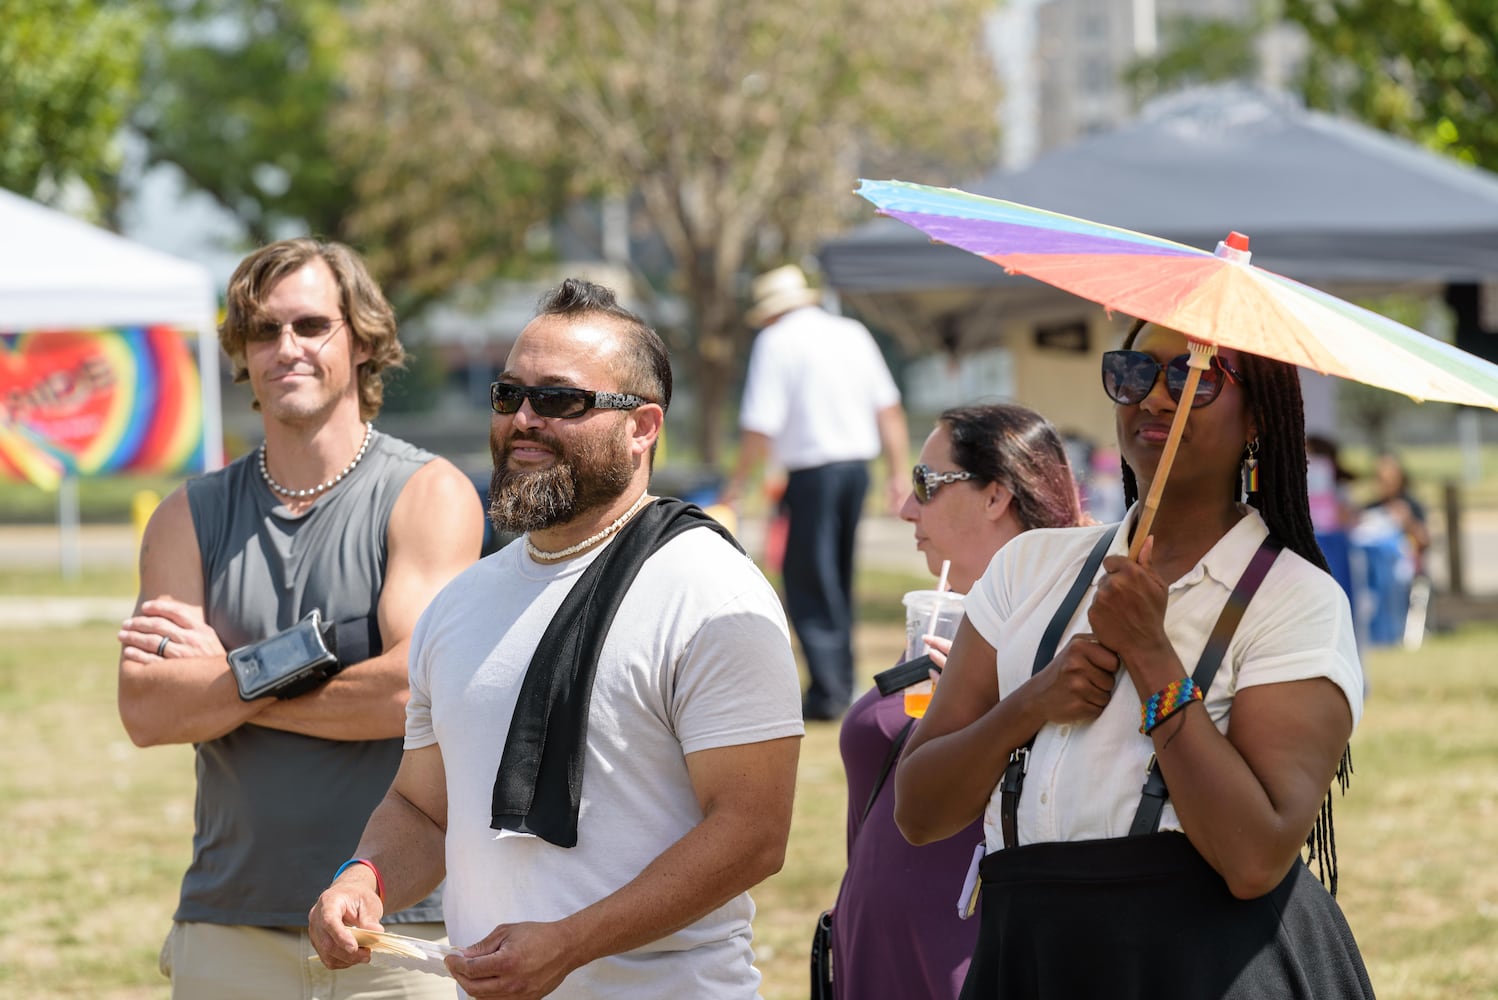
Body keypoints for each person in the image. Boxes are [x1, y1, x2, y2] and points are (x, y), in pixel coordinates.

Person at [308, 278, 804, 999]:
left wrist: (571, 943)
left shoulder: (708, 590)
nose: (524, 420)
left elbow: (753, 833)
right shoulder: (462, 601)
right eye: (508, 396)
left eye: (561, 400)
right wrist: (364, 878)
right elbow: (425, 808)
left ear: (642, 427)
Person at [895, 321, 1373, 998]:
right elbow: (919, 811)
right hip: (1031, 958)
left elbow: (1254, 858)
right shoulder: (1027, 568)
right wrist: (1030, 704)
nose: (1152, 397)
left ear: (1257, 420)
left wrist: (1152, 653)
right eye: (1133, 371)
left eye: (1192, 378)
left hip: (1206, 968)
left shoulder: (1296, 602)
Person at [116, 238, 484, 998]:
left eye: (312, 325)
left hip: (395, 920)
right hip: (228, 921)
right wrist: (323, 659)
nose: (287, 347)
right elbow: (149, 709)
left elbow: (408, 695)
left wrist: (226, 689)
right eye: (262, 330)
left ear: (363, 340)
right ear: (242, 355)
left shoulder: (429, 494)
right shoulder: (187, 514)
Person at [831, 403, 1084, 1000]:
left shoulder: (1064, 627)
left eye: (927, 484)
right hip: (875, 954)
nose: (905, 508)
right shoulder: (938, 623)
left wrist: (1002, 700)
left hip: (967, 959)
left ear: (996, 495)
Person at [723, 263, 909, 720]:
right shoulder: (852, 333)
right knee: (839, 578)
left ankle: (828, 691)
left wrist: (737, 485)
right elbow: (888, 408)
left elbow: (759, 424)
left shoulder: (775, 341)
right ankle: (838, 682)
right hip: (856, 469)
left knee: (809, 579)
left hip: (811, 474)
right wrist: (898, 472)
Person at [1356, 451, 1431, 646]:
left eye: (1390, 477)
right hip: (1371, 568)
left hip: (1405, 567)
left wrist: (1408, 522)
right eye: (1381, 478)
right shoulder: (1370, 507)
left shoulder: (1410, 505)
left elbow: (1425, 541)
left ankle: (1392, 632)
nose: (1386, 483)